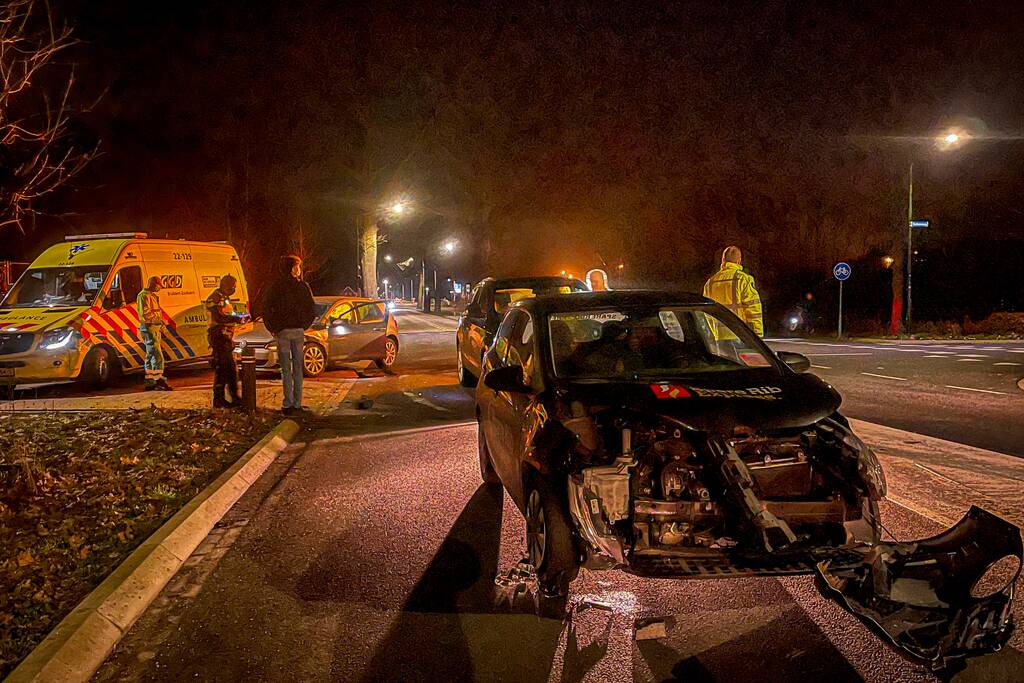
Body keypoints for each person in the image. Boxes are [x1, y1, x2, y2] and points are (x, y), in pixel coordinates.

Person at [262, 255, 316, 415]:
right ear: (291, 268)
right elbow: (311, 308)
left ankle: (288, 403)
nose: (299, 270)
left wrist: (273, 327)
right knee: (296, 368)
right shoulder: (302, 287)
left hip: (285, 331)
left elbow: (266, 308)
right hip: (294, 331)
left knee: (287, 369)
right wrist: (304, 325)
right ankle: (296, 403)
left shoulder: (276, 287)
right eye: (296, 266)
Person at [703, 246, 764, 337]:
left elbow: (706, 313)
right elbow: (753, 309)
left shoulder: (710, 282)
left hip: (718, 337)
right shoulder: (743, 279)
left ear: (723, 260)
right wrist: (757, 335)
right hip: (739, 335)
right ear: (739, 260)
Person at [206, 274, 246, 408]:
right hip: (218, 336)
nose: (234, 289)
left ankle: (233, 397)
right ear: (225, 285)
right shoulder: (215, 298)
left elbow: (229, 314)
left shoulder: (225, 298)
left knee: (230, 368)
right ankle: (220, 399)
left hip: (226, 336)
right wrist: (236, 319)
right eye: (233, 286)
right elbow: (219, 317)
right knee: (223, 367)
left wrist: (240, 317)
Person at [137, 275, 172, 391]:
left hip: (154, 328)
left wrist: (160, 323)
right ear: (153, 284)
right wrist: (159, 321)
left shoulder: (151, 296)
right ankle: (158, 379)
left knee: (152, 354)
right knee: (156, 355)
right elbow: (146, 314)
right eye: (159, 285)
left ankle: (151, 381)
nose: (159, 288)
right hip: (149, 327)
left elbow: (156, 312)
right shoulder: (144, 296)